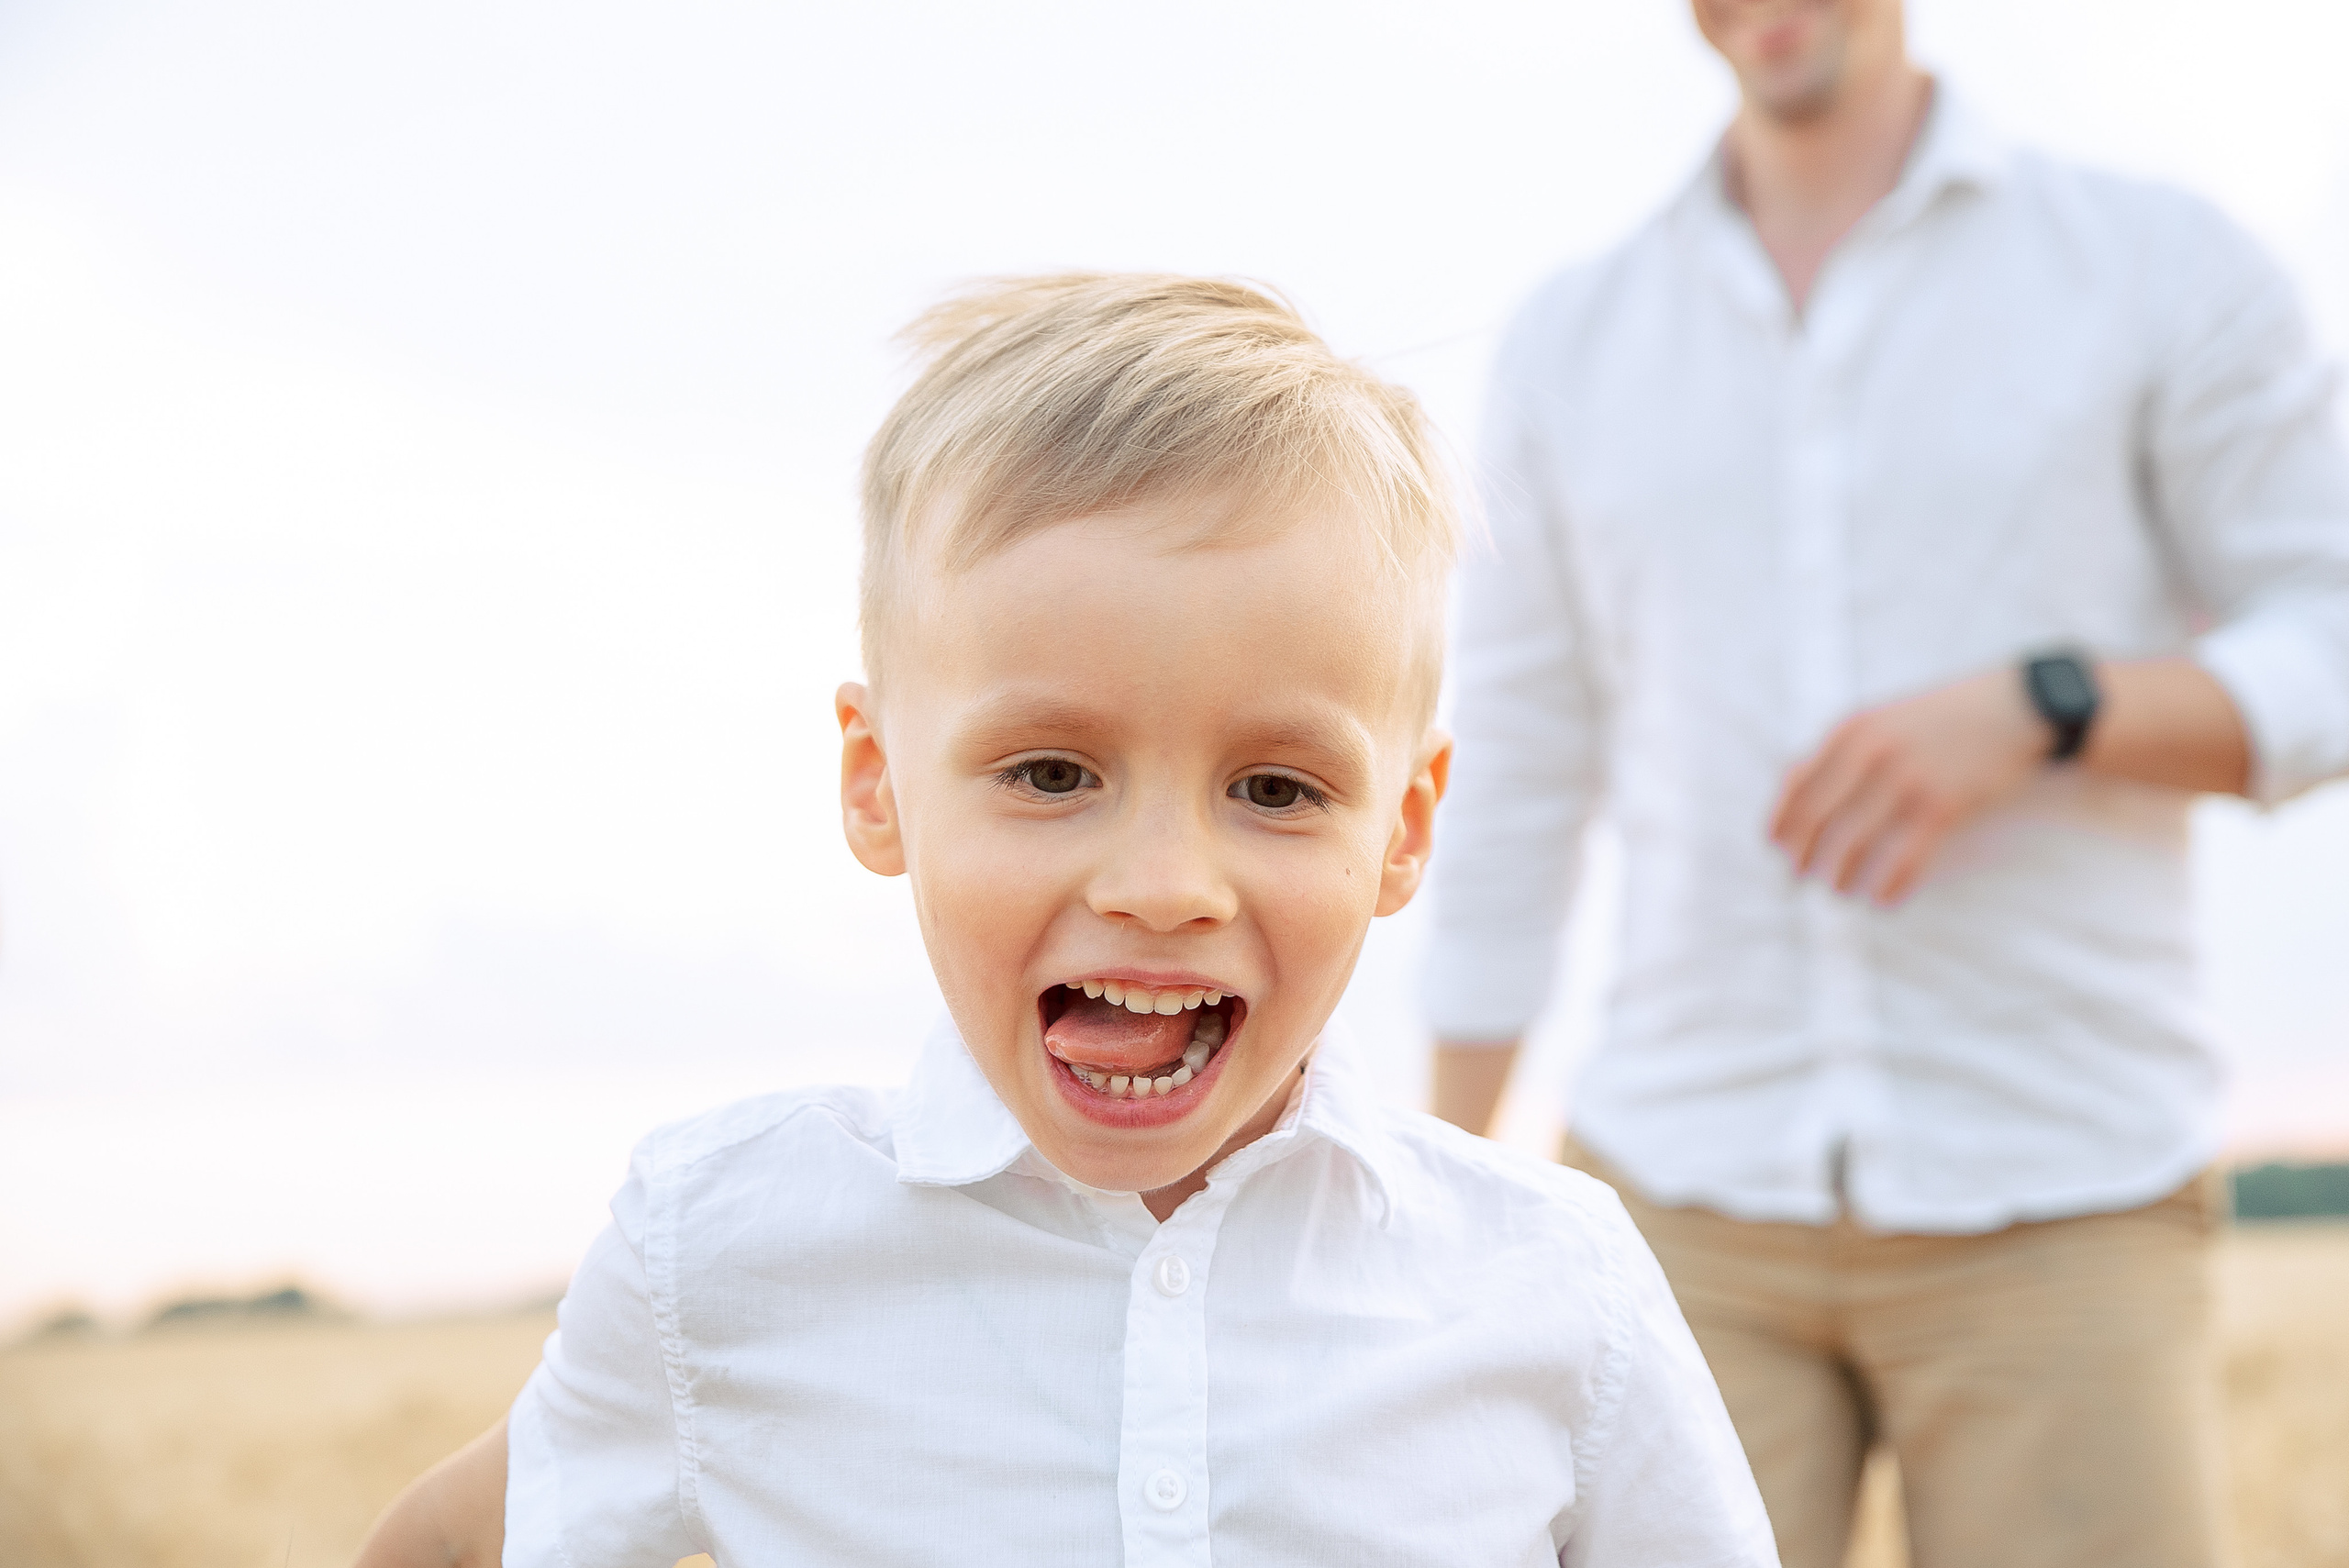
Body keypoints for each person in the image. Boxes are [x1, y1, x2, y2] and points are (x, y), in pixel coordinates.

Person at [355, 273, 1776, 1567]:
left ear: (1402, 827)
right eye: (1051, 772)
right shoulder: (722, 1248)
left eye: (1275, 788)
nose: (1164, 882)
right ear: (877, 784)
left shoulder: (1551, 1285)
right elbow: (447, 1537)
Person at [1423, 3, 2349, 1566]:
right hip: (1674, 1195)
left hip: (2065, 1183)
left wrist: (2055, 705)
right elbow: (1510, 779)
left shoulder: (2157, 266)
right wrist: (1445, 1199)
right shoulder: (1571, 341)